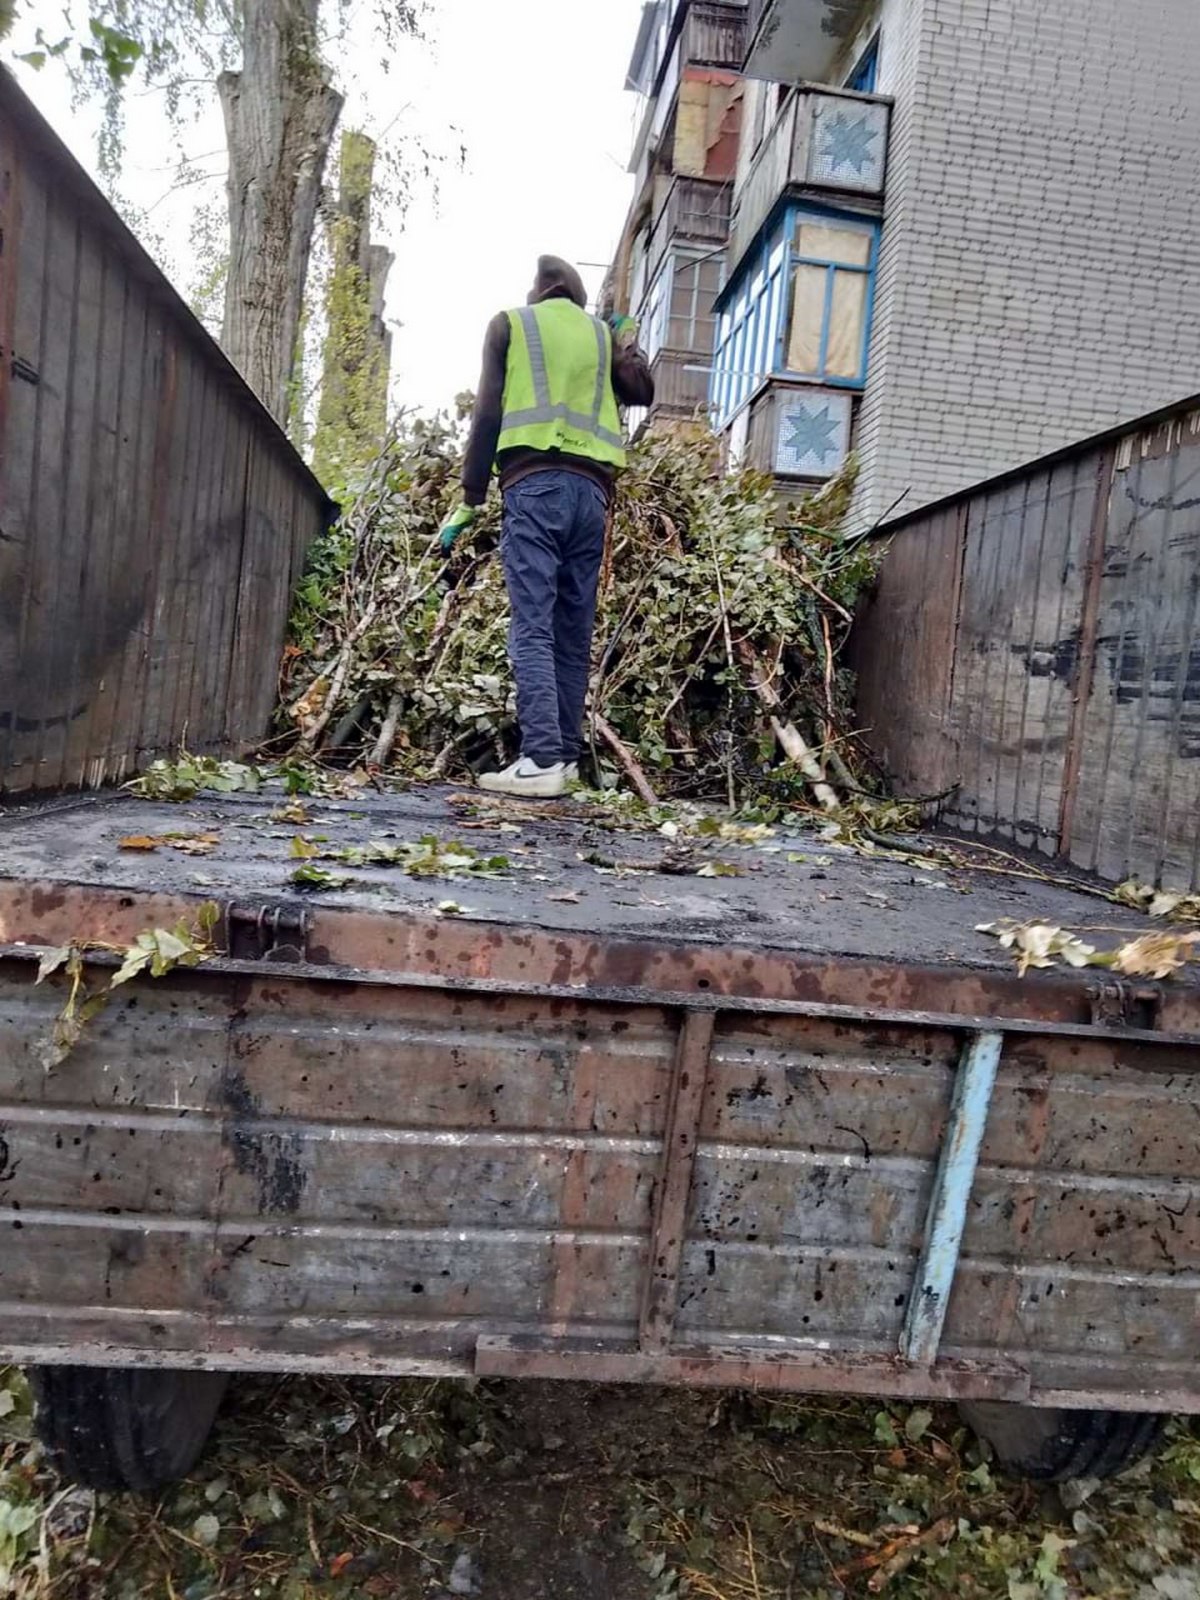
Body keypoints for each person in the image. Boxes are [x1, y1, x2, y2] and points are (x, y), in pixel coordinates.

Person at [439, 255, 654, 797]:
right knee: (572, 629)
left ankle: (539, 761)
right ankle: (564, 757)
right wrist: (628, 337)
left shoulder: (511, 324)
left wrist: (470, 497)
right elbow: (642, 390)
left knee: (531, 622)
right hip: (593, 495)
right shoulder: (604, 336)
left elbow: (487, 413)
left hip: (535, 485)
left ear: (542, 289)